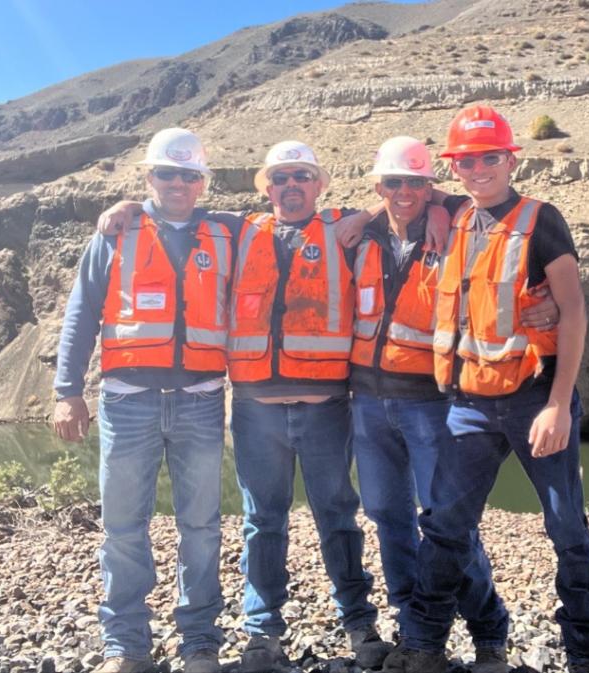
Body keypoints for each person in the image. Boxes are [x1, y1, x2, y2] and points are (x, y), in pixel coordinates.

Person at [94, 141, 397, 672]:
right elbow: (175, 210)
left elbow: (414, 204)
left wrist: (372, 209)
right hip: (256, 411)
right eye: (279, 178)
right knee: (262, 522)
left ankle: (359, 624)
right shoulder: (240, 229)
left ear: (319, 183)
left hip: (326, 408)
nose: (290, 186)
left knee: (338, 518)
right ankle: (262, 634)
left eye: (301, 175)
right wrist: (129, 208)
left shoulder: (348, 229)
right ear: (266, 187)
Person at [382, 106, 589, 673]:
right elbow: (404, 198)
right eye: (467, 159)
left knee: (567, 529)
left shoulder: (542, 219)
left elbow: (574, 312)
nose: (479, 168)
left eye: (490, 157)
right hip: (469, 404)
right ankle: (424, 645)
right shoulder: (459, 218)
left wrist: (560, 405)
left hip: (536, 399)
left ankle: (587, 655)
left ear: (511, 159)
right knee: (444, 526)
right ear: (454, 168)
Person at [349, 136, 557, 673]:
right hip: (368, 404)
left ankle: (490, 631)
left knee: (446, 524)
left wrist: (552, 300)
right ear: (378, 186)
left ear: (430, 185)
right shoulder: (360, 235)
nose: (403, 193)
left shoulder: (461, 225)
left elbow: (517, 247)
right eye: (393, 182)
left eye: (415, 182)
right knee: (387, 519)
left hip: (430, 403)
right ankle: (413, 631)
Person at [52, 128, 231, 673]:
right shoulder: (115, 233)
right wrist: (67, 391)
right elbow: (81, 312)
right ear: (148, 176)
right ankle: (126, 646)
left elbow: (295, 225)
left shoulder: (228, 234)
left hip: (200, 400)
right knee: (123, 526)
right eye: (166, 173)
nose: (178, 183)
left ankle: (199, 640)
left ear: (202, 182)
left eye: (189, 174)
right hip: (127, 401)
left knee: (200, 526)